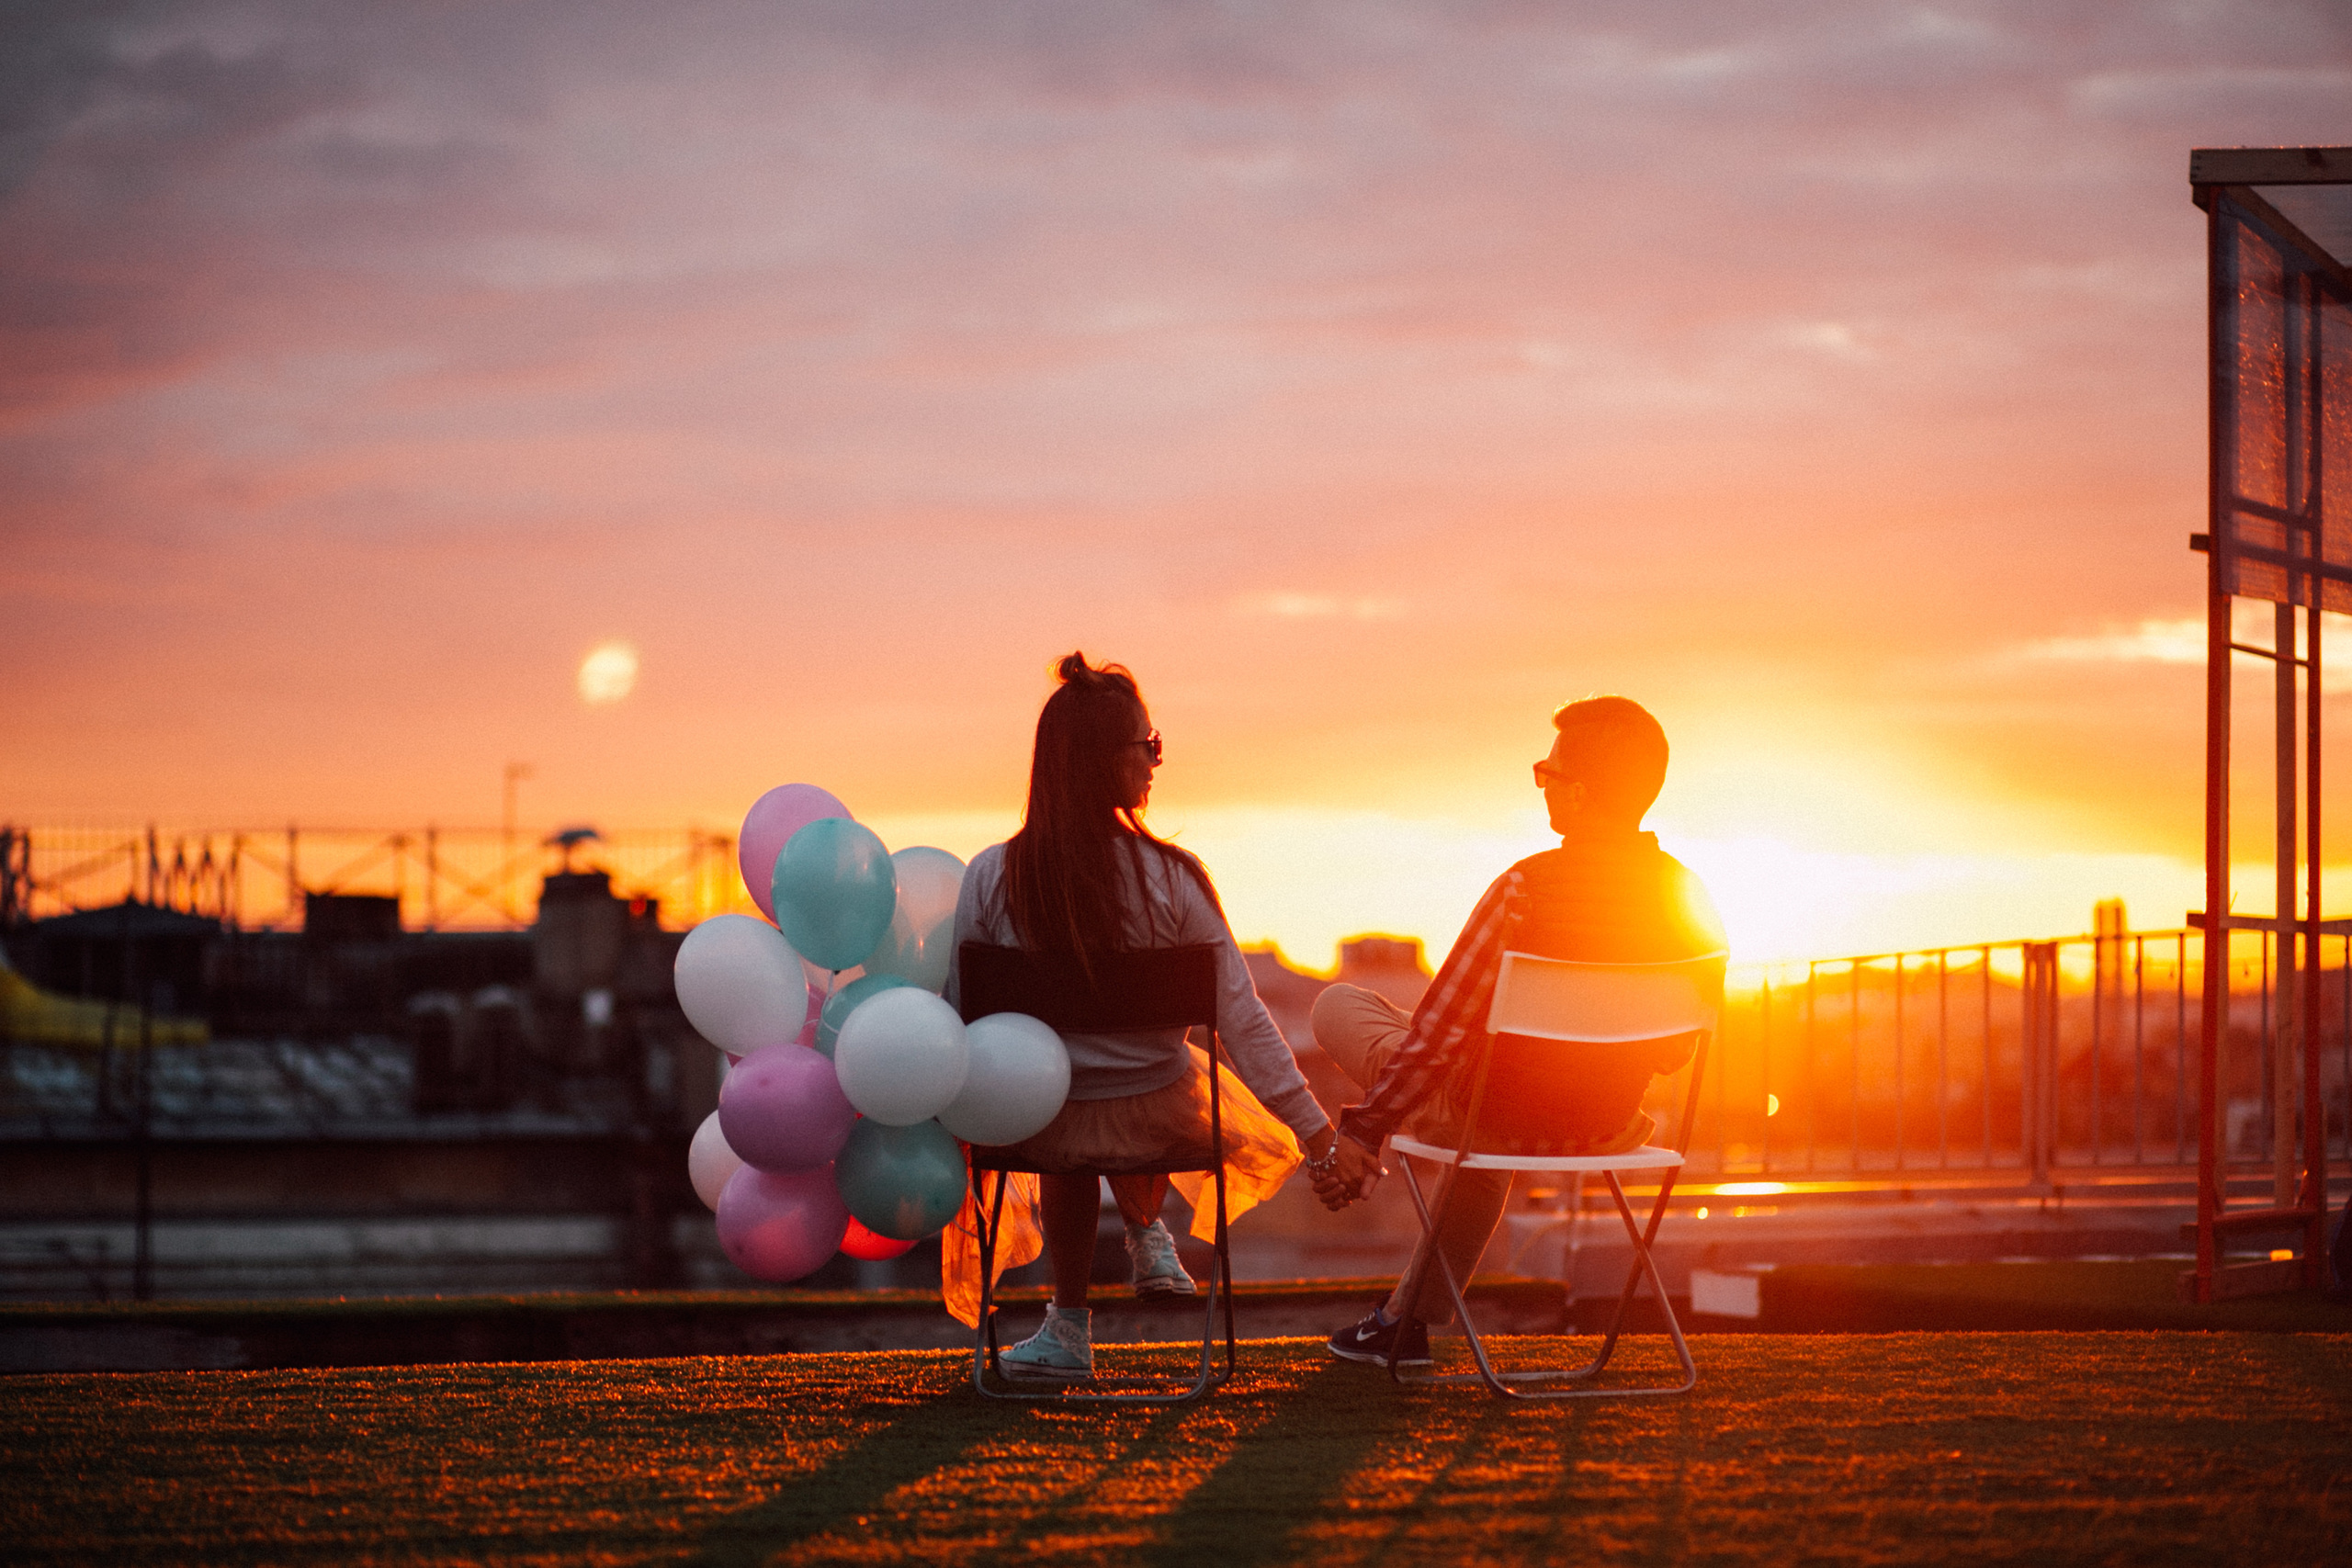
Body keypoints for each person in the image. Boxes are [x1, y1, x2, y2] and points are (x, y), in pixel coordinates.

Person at [944, 651, 1347, 1379]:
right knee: (1156, 1078)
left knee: (1060, 1107)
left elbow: (955, 1012)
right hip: (1164, 1115)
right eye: (1149, 746)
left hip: (1037, 1119)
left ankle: (1069, 1325)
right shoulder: (1176, 878)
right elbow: (1243, 1020)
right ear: (1107, 762)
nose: (1158, 762)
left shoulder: (991, 875)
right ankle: (1146, 1230)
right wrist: (1317, 1133)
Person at [1309, 694, 1724, 1366]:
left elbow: (1439, 1033)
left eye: (1548, 773)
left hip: (1490, 1116)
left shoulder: (1526, 888)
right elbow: (1676, 1051)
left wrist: (1362, 1128)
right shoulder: (1687, 897)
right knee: (1488, 1102)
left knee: (1340, 1007)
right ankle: (1403, 1321)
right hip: (1605, 1127)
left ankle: (1403, 1326)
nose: (1542, 787)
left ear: (1582, 793)